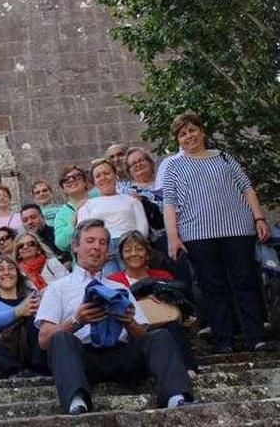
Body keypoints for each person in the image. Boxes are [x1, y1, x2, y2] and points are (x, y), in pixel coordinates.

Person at [35, 219, 193, 415]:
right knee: (60, 337)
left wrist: (128, 322)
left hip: (121, 355)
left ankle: (176, 397)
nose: (96, 247)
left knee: (160, 336)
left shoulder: (119, 287)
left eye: (102, 243)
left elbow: (141, 335)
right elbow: (43, 340)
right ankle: (76, 402)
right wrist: (77, 321)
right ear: (76, 246)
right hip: (83, 360)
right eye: (90, 241)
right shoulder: (57, 288)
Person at [163, 111, 274, 353]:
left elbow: (246, 188)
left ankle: (256, 337)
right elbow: (169, 201)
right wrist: (173, 235)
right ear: (177, 140)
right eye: (182, 134)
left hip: (238, 229)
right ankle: (224, 340)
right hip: (197, 234)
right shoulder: (172, 165)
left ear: (202, 132)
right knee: (212, 286)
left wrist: (259, 217)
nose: (189, 136)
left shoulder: (224, 157)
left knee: (245, 282)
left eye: (192, 130)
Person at [108, 231, 196, 373]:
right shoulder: (113, 281)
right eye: (128, 250)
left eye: (139, 249)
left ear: (148, 254)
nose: (134, 253)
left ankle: (188, 369)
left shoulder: (163, 276)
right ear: (122, 257)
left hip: (164, 325)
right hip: (132, 330)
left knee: (173, 327)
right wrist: (140, 300)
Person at [76, 159, 148, 274]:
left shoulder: (132, 199)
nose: (103, 178)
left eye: (107, 173)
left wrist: (136, 245)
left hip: (130, 246)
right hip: (103, 250)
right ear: (94, 182)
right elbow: (82, 231)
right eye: (98, 176)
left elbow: (143, 227)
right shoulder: (87, 205)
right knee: (111, 285)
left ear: (115, 175)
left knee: (134, 282)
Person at [53, 166, 89, 256]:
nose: (72, 180)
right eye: (66, 179)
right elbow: (61, 244)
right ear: (63, 188)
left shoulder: (98, 200)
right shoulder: (61, 215)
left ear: (85, 182)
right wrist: (74, 220)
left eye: (77, 176)